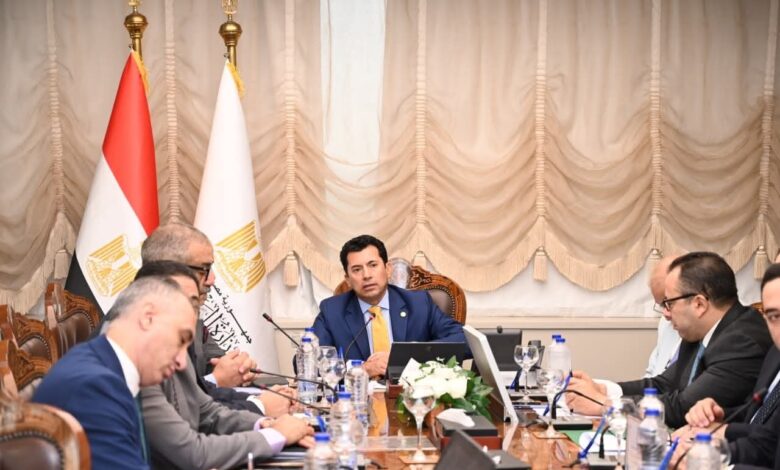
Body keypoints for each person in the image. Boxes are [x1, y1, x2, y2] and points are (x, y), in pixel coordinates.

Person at [132, 261, 311, 469]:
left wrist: (263, 424)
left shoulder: (166, 341)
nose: (182, 361)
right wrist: (276, 435)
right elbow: (191, 453)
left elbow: (206, 413)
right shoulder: (129, 367)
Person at [566, 252, 772, 428]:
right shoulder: (699, 331)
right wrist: (604, 389)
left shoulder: (743, 342)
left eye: (669, 303)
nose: (665, 313)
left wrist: (605, 405)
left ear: (699, 304)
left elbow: (683, 407)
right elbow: (664, 384)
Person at [33, 276, 197, 470]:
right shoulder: (94, 388)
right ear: (148, 318)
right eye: (181, 340)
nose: (181, 362)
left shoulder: (104, 368)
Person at [670, 263, 780, 469]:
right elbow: (762, 429)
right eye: (774, 316)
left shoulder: (744, 340)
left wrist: (717, 464)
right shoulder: (775, 354)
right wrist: (719, 422)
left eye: (669, 303)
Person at [312, 234, 466, 377]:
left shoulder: (419, 303)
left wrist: (402, 356)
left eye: (373, 265)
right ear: (348, 280)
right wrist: (362, 369)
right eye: (357, 269)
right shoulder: (332, 311)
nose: (367, 275)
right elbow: (310, 364)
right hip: (360, 394)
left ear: (387, 269)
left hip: (413, 392)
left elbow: (462, 341)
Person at [645, 255, 682, 377]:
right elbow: (652, 372)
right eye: (662, 305)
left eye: (668, 303)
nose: (665, 314)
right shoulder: (665, 323)